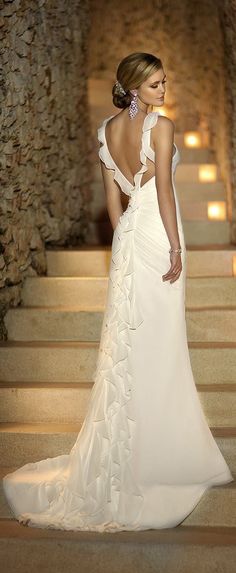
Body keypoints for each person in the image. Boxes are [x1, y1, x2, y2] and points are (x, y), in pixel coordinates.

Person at [3, 52, 234, 531]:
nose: (163, 91)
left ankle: (139, 445)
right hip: (157, 231)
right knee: (161, 346)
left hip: (130, 235)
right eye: (153, 86)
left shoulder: (106, 131)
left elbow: (113, 202)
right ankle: (163, 454)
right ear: (133, 89)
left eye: (164, 83)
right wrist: (173, 246)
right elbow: (166, 193)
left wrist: (125, 244)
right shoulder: (161, 126)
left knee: (131, 347)